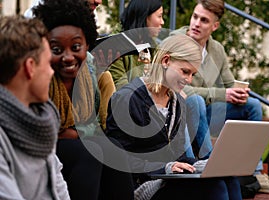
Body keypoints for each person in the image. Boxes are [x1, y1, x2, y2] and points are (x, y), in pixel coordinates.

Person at [170, 0, 269, 195]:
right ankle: (210, 163)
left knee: (253, 105)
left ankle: (257, 171)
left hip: (210, 112)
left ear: (215, 26)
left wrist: (238, 93)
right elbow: (181, 89)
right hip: (185, 110)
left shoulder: (216, 49)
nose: (196, 24)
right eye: (194, 17)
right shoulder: (175, 42)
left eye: (203, 20)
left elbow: (228, 84)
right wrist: (222, 94)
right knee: (197, 100)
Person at [106, 34, 242, 200]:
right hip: (142, 183)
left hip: (169, 178)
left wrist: (202, 165)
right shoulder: (126, 99)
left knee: (227, 178)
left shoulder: (177, 101)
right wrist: (165, 168)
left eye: (192, 74)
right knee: (215, 187)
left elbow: (177, 155)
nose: (189, 80)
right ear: (165, 61)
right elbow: (119, 159)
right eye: (185, 71)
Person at [32, 0, 133, 199]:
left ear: (87, 44)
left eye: (76, 46)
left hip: (78, 141)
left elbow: (92, 124)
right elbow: (39, 130)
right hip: (42, 147)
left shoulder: (90, 67)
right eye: (57, 49)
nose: (68, 57)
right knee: (90, 151)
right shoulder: (39, 73)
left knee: (114, 149)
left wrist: (76, 133)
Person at [0, 15, 70, 200]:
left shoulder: (40, 122)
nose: (51, 72)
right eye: (47, 63)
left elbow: (59, 187)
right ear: (30, 67)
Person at [108, 0, 164, 90]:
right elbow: (121, 88)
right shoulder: (114, 45)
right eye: (159, 16)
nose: (162, 22)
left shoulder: (152, 46)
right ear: (144, 16)